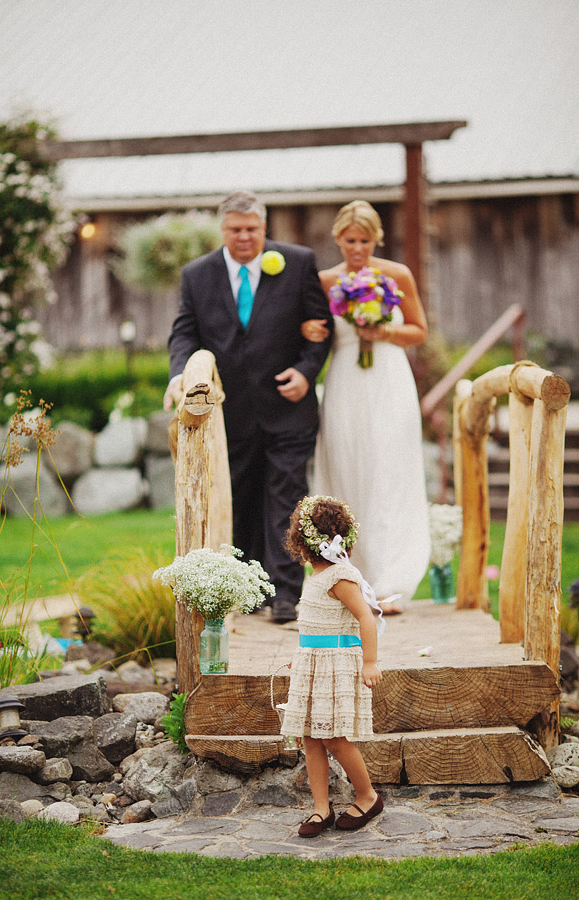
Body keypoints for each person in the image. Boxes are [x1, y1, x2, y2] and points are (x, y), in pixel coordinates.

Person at [164, 191, 333, 623]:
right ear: (223, 230)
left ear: (264, 227)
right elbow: (185, 333)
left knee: (285, 494)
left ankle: (285, 595)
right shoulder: (197, 275)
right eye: (235, 229)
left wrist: (305, 372)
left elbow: (320, 328)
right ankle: (247, 588)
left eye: (252, 229)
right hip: (229, 411)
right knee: (237, 496)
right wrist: (180, 374)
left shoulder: (296, 263)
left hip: (287, 408)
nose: (244, 237)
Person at [302, 200, 430, 614]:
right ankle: (345, 576)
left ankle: (390, 580)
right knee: (347, 468)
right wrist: (308, 327)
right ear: (338, 238)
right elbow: (313, 330)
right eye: (350, 240)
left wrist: (383, 330)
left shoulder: (396, 275)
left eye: (365, 240)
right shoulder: (324, 280)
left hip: (388, 380)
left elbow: (418, 331)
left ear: (378, 239)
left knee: (388, 473)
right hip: (345, 382)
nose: (357, 248)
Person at [281, 495, 384, 837]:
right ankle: (321, 809)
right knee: (310, 737)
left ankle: (368, 796)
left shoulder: (340, 576)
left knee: (335, 738)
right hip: (314, 662)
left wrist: (370, 662)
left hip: (337, 664)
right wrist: (302, 651)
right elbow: (315, 623)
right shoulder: (316, 575)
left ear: (302, 539)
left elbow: (365, 619)